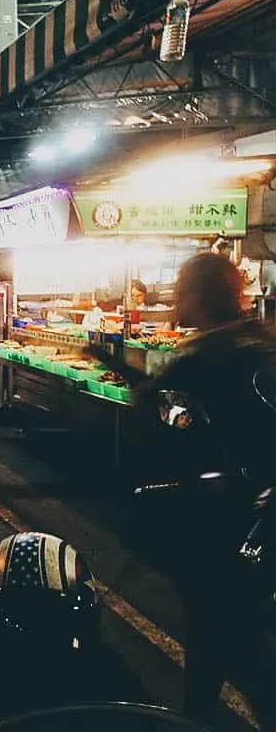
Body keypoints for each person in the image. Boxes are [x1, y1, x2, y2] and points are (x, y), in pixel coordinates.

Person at [126, 253, 276, 728]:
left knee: (230, 639)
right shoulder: (257, 345)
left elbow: (165, 418)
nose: (175, 298)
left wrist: (138, 385)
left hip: (223, 522)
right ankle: (197, 716)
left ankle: (199, 717)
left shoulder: (209, 357)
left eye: (182, 289)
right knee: (221, 635)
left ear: (198, 296)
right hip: (249, 518)